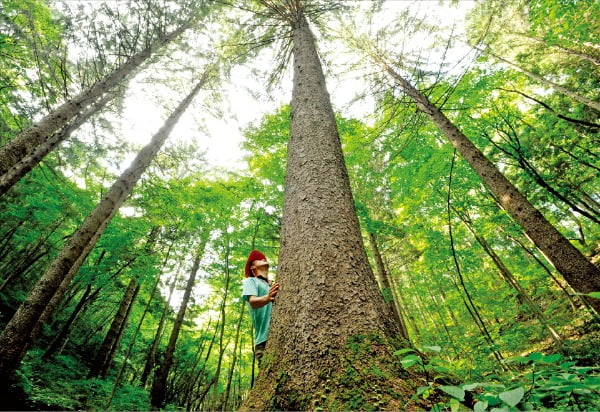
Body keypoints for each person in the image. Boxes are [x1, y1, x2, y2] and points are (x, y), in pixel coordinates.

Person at [242, 250, 279, 365]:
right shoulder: (251, 281)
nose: (263, 259)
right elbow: (253, 302)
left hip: (279, 335)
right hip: (264, 341)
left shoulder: (271, 285)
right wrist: (267, 297)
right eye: (258, 258)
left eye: (264, 257)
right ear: (252, 267)